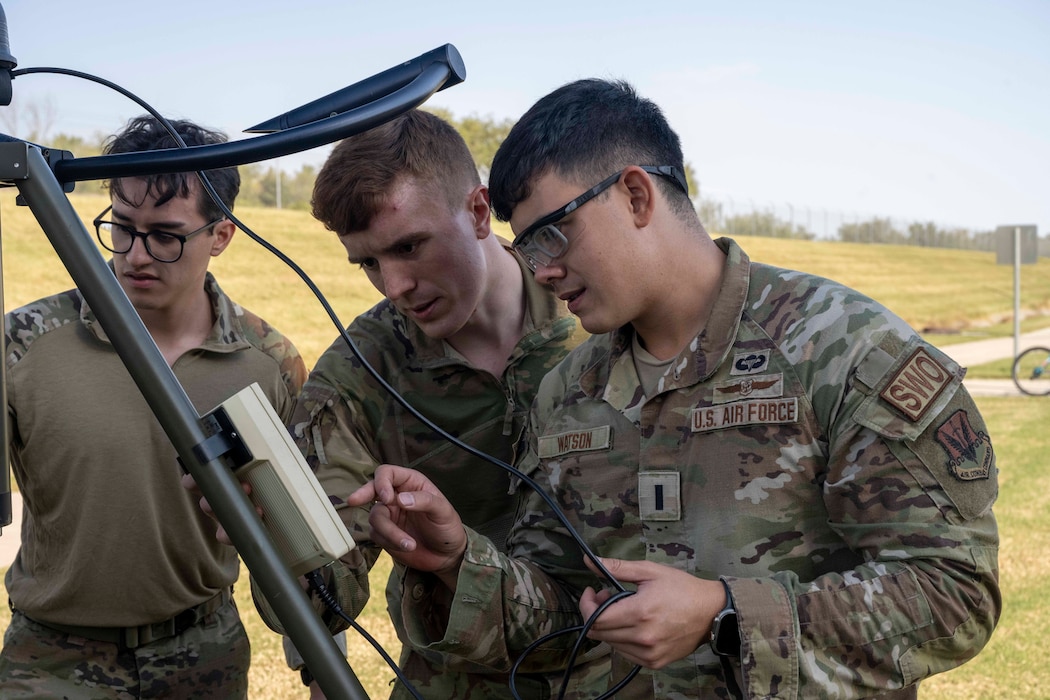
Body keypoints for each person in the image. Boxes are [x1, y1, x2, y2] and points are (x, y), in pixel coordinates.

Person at [347, 79, 1002, 699]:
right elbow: (557, 614)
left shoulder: (843, 350)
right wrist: (458, 559)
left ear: (635, 195)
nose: (540, 270)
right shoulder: (571, 388)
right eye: (526, 245)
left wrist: (725, 614)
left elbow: (955, 594)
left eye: (553, 233)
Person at [251, 109, 598, 698]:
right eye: (368, 263)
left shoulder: (593, 313)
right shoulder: (359, 374)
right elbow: (322, 606)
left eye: (410, 246)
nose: (394, 286)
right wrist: (271, 530)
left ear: (480, 212)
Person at [0, 116, 307, 697]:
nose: (134, 256)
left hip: (204, 655)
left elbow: (296, 540)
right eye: (121, 227)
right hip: (49, 663)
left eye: (166, 235)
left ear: (221, 235)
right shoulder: (21, 345)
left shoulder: (269, 363)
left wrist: (319, 668)